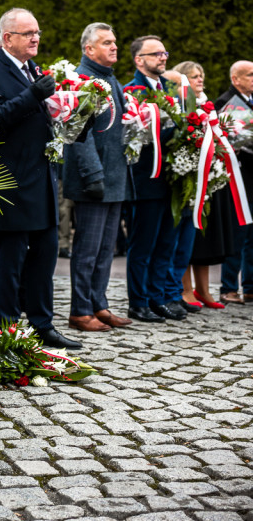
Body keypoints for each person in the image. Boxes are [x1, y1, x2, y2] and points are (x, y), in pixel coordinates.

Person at [0, 8, 81, 349]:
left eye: (37, 32)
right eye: (28, 33)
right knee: (11, 260)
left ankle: (42, 323)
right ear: (8, 38)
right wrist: (34, 94)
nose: (36, 38)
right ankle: (6, 327)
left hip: (43, 178)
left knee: (45, 255)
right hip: (12, 181)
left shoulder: (33, 68)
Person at [63, 23, 131, 331]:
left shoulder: (109, 78)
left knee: (106, 248)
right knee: (88, 249)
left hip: (114, 175)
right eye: (106, 43)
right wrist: (92, 173)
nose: (114, 47)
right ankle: (80, 310)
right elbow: (79, 132)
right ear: (89, 49)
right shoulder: (82, 79)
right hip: (94, 176)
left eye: (114, 42)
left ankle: (98, 303)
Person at [124, 35, 187, 322]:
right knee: (143, 245)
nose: (163, 57)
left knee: (166, 242)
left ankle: (157, 297)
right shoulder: (132, 92)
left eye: (164, 52)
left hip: (172, 178)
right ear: (139, 60)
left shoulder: (172, 90)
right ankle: (138, 302)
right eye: (156, 54)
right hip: (146, 177)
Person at [176, 61, 228, 311]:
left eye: (202, 75)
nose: (200, 80)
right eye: (194, 76)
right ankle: (186, 290)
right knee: (189, 236)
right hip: (190, 178)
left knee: (206, 236)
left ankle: (204, 289)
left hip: (210, 178)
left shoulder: (208, 103)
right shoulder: (183, 104)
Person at [216, 60, 253, 305]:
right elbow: (226, 141)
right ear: (235, 79)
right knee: (238, 232)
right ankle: (228, 286)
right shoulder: (225, 102)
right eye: (250, 75)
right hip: (238, 177)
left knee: (252, 235)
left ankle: (250, 286)